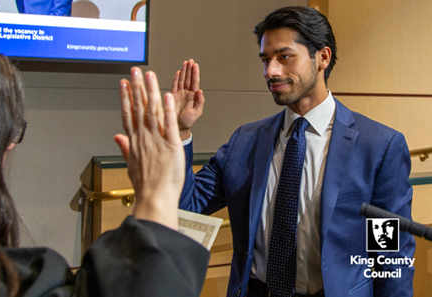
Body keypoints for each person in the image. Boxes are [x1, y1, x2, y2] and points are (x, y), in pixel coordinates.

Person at [0, 33, 209, 297]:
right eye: (7, 129)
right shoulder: (12, 284)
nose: (12, 144)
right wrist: (156, 193)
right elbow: (193, 206)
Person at [163, 6, 415, 297]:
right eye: (266, 60)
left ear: (322, 57)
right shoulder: (245, 141)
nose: (271, 71)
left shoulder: (378, 147)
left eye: (284, 57)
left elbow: (390, 255)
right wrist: (180, 132)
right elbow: (186, 205)